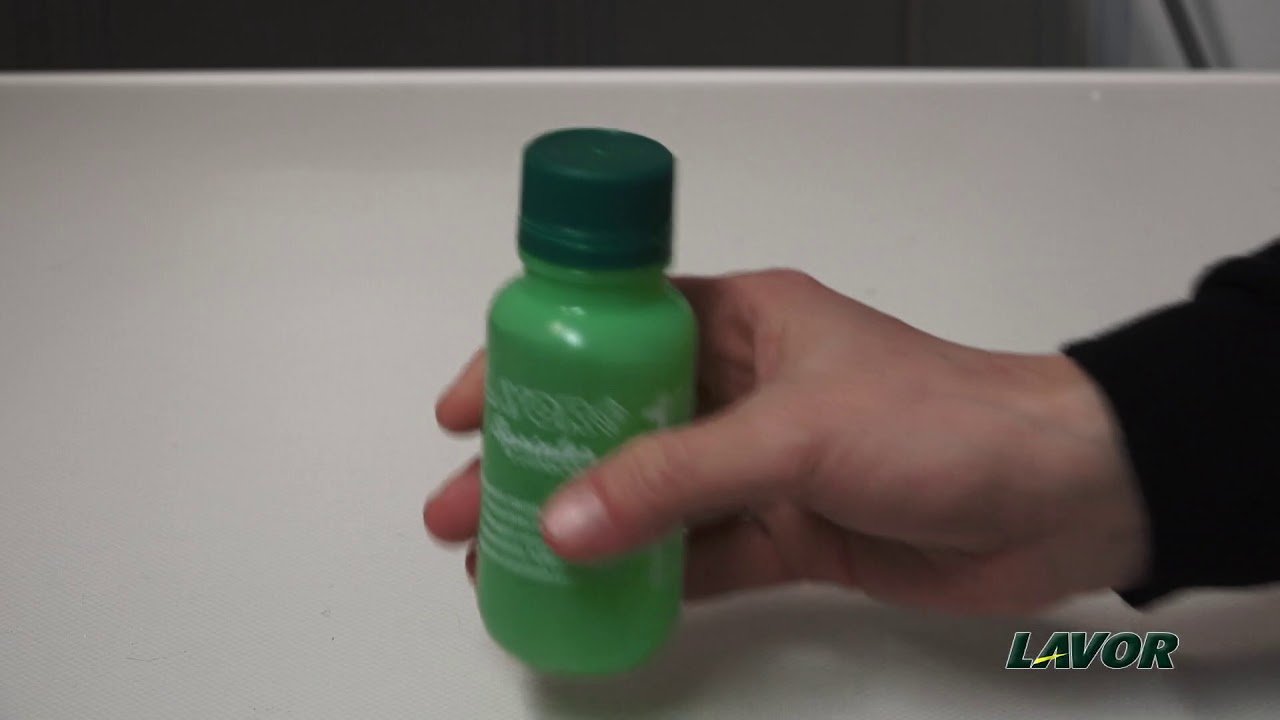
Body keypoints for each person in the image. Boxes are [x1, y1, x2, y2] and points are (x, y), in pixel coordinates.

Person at [424, 238, 1280, 613]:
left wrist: (1085, 451)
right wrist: (1104, 452)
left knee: (1106, 660)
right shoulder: (539, 314)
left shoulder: (652, 327)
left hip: (1106, 648)